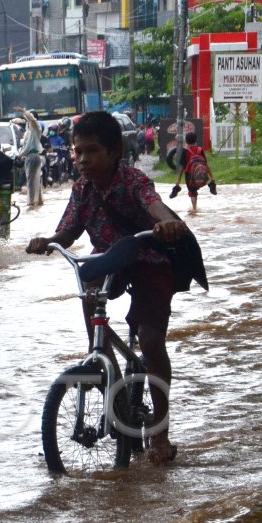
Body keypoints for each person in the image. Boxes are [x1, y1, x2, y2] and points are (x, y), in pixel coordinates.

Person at [25, 111, 193, 466]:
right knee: (87, 278)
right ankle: (100, 354)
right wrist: (48, 240)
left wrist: (167, 224)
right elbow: (68, 232)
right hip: (112, 262)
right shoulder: (81, 189)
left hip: (149, 260)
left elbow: (155, 204)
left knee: (149, 340)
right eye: (78, 151)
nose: (83, 160)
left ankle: (160, 434)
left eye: (92, 151)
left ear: (115, 152)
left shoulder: (132, 181)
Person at [169, 131, 217, 214]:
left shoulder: (185, 151)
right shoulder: (200, 150)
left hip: (189, 175)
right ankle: (195, 208)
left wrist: (178, 180)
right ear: (196, 140)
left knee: (192, 192)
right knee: (195, 191)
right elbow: (205, 164)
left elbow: (182, 168)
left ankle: (194, 209)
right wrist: (212, 177)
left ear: (186, 141)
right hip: (202, 175)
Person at [18, 108, 44, 208]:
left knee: (31, 181)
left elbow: (33, 121)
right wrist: (20, 155)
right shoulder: (28, 133)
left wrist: (25, 112)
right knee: (35, 180)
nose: (27, 121)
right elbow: (25, 147)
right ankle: (39, 201)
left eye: (28, 119)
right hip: (29, 157)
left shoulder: (36, 129)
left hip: (33, 157)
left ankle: (31, 203)